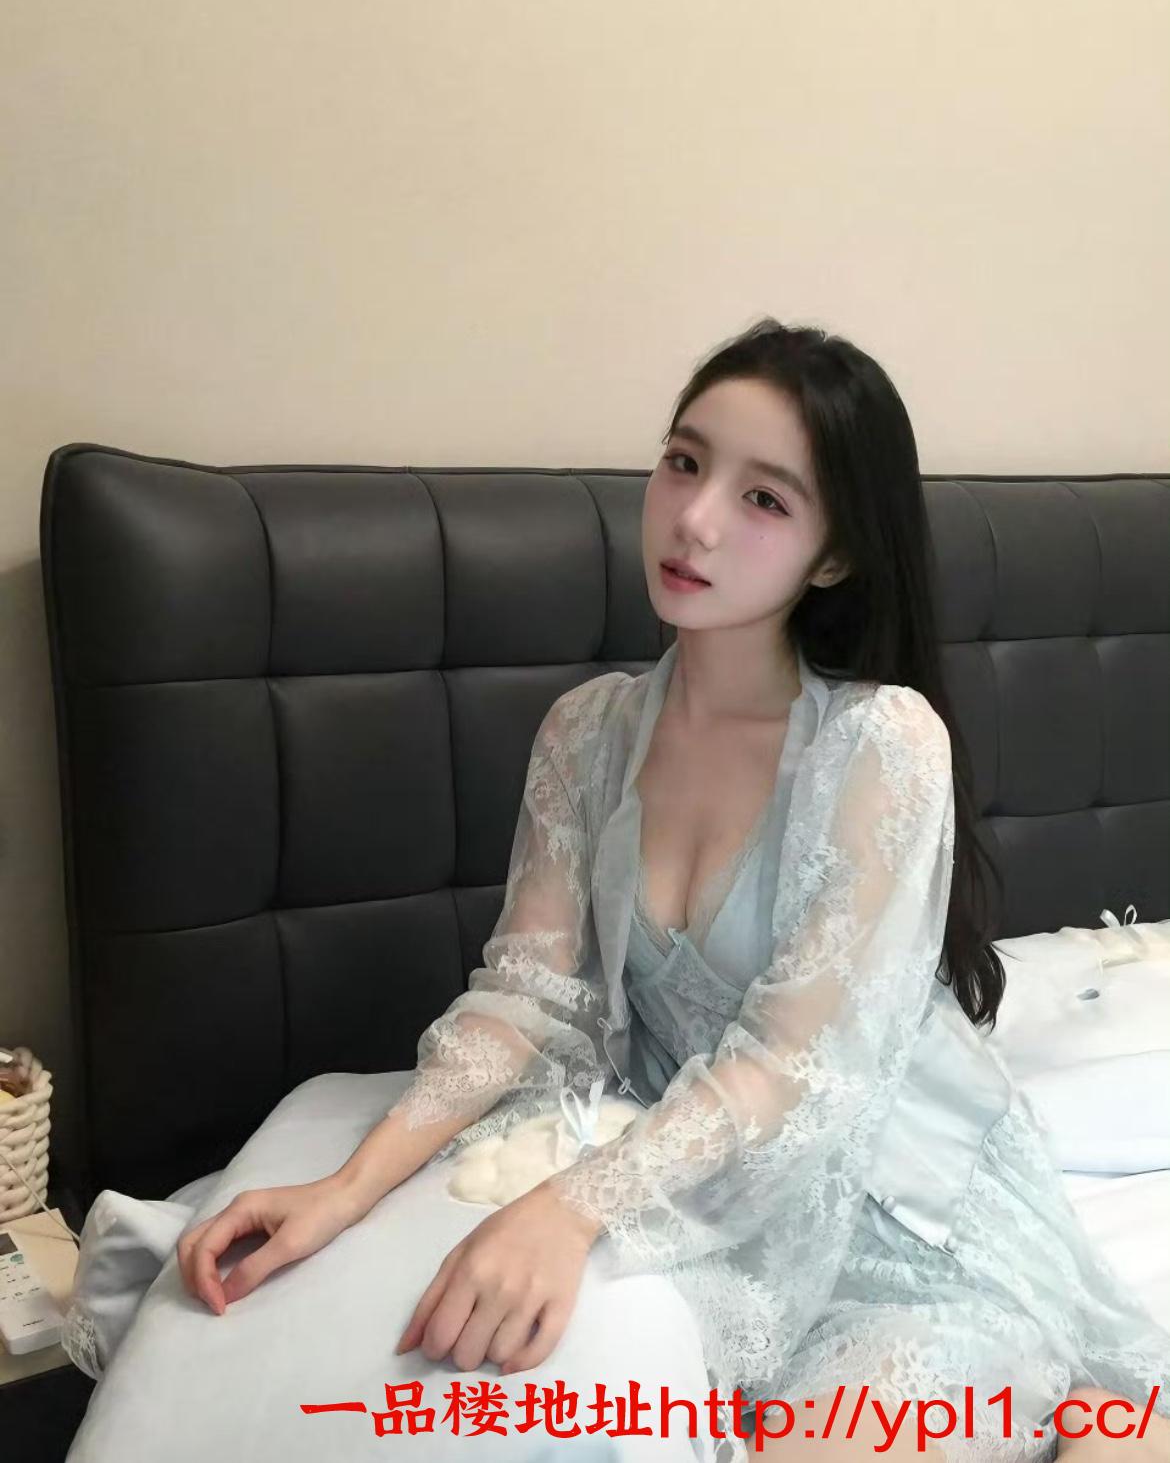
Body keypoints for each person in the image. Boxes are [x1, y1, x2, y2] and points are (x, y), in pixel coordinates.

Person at [177, 319, 1170, 1462]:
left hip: (896, 1207)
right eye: (684, 462)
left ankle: (1084, 1416)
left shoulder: (881, 743)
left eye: (765, 499)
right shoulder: (586, 733)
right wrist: (346, 1189)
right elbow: (527, 1000)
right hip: (697, 1175)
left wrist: (569, 1208)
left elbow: (795, 1064)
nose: (694, 519)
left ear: (834, 555)